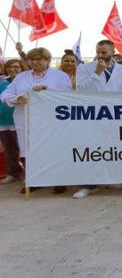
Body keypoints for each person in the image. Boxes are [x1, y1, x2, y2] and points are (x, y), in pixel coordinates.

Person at [1, 48, 73, 194]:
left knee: (53, 149)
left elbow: (67, 95)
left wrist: (48, 90)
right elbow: (5, 94)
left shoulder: (60, 76)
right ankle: (34, 180)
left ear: (47, 60)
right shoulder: (21, 77)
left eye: (38, 59)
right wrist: (17, 98)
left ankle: (58, 180)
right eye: (32, 59)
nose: (35, 62)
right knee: (28, 150)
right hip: (26, 120)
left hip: (51, 121)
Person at [73, 40, 122, 199]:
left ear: (113, 51)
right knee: (91, 150)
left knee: (113, 148)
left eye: (104, 52)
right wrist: (96, 73)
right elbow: (81, 89)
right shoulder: (84, 68)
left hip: (117, 115)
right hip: (93, 115)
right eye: (98, 52)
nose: (100, 55)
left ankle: (110, 178)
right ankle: (88, 185)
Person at [0, 59, 25, 185]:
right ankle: (13, 173)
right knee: (9, 149)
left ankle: (27, 174)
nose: (12, 69)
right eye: (9, 67)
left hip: (18, 121)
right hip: (3, 122)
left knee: (22, 148)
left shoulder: (24, 82)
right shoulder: (2, 82)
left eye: (16, 66)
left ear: (22, 68)